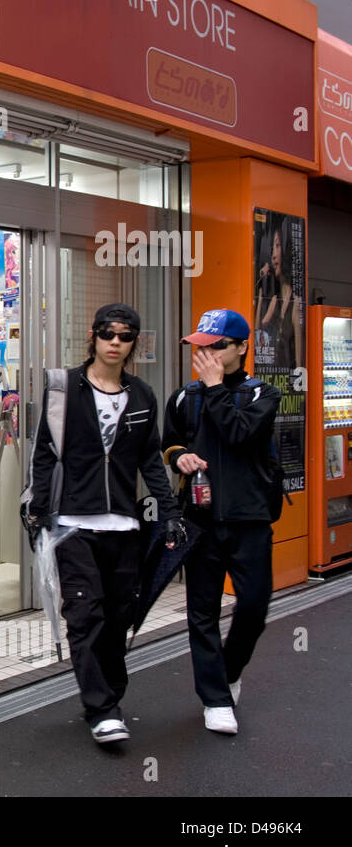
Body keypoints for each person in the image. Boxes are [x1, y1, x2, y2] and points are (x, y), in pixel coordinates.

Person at [26, 303, 186, 745]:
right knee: (84, 614)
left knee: (118, 619)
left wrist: (169, 512)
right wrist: (39, 510)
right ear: (93, 337)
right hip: (72, 524)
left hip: (124, 526)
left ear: (134, 343)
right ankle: (101, 709)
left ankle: (111, 696)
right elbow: (44, 454)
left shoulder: (142, 394)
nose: (116, 342)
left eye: (126, 335)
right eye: (108, 334)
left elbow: (150, 460)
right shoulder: (64, 390)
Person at [163, 309, 280, 736]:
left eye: (217, 346)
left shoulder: (261, 394)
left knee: (253, 607)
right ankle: (214, 698)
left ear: (241, 348)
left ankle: (229, 671)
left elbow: (239, 435)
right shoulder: (185, 396)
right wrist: (180, 457)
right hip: (201, 519)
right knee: (202, 611)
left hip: (250, 518)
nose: (207, 355)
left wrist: (215, 388)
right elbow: (167, 443)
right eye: (202, 347)